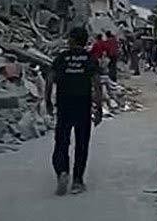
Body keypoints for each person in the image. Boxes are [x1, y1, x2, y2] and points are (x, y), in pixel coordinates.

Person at [45, 27, 103, 195]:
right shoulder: (90, 59)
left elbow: (49, 80)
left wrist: (48, 101)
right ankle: (77, 181)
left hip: (64, 106)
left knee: (61, 141)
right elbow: (97, 85)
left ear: (72, 40)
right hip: (82, 106)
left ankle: (62, 171)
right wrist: (98, 108)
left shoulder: (61, 58)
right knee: (82, 144)